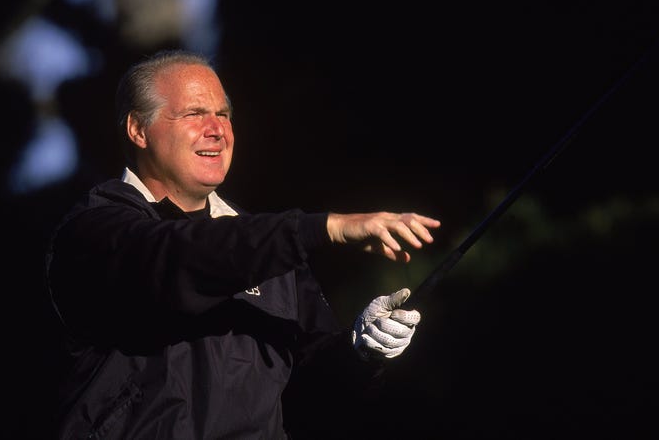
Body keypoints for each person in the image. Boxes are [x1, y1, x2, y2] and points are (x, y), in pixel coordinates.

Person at [44, 49, 441, 439]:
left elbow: (310, 402)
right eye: (194, 114)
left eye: (223, 114)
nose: (217, 129)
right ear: (138, 129)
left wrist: (359, 351)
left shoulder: (270, 252)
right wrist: (326, 227)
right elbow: (181, 257)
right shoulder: (95, 231)